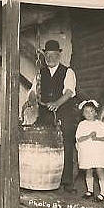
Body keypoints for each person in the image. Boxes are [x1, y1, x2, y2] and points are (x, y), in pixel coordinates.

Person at [23, 39, 78, 193]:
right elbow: (33, 90)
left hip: (63, 112)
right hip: (46, 112)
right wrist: (32, 100)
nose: (50, 58)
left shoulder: (68, 72)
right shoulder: (40, 73)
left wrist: (57, 103)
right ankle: (43, 179)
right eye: (47, 55)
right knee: (43, 143)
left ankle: (67, 182)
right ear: (44, 55)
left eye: (54, 55)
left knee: (65, 142)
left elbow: (69, 92)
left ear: (59, 55)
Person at [76, 100, 104, 202]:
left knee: (99, 170)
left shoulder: (100, 125)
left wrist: (97, 138)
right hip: (88, 153)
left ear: (96, 112)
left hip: (98, 153)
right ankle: (90, 190)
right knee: (88, 170)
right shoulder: (82, 125)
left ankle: (103, 193)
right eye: (86, 111)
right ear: (83, 113)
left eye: (91, 111)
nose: (88, 114)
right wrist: (89, 136)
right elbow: (79, 139)